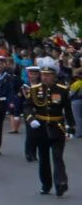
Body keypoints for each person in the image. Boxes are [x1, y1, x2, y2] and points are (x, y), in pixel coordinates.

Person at [24, 64, 71, 196]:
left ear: (54, 76)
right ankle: (46, 185)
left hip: (57, 127)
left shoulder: (62, 90)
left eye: (48, 75)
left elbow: (67, 109)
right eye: (43, 75)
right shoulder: (34, 90)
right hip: (41, 127)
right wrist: (30, 118)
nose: (45, 77)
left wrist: (71, 127)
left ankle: (61, 183)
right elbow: (27, 106)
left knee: (57, 157)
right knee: (44, 158)